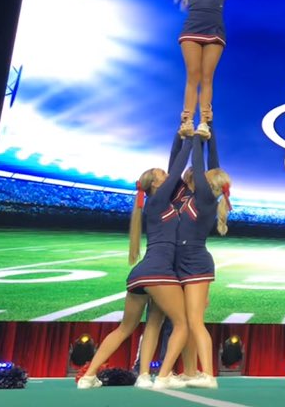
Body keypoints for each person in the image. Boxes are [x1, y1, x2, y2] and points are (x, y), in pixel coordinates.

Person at [77, 136, 191, 389]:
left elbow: (174, 166)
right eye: (163, 175)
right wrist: (192, 139)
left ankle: (97, 376)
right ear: (156, 184)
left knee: (139, 326)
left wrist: (178, 136)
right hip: (160, 272)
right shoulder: (159, 201)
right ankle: (163, 376)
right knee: (183, 323)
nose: (168, 175)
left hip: (141, 275)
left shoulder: (155, 203)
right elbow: (179, 167)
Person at [164, 0, 256, 139]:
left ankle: (204, 122)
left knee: (207, 77)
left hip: (215, 32)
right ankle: (187, 120)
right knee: (193, 75)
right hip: (192, 30)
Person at [172, 133, 231, 387]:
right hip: (184, 260)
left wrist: (198, 137)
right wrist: (212, 129)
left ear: (211, 183)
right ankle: (190, 371)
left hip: (195, 262)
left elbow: (199, 163)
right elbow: (211, 163)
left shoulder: (206, 198)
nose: (199, 173)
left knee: (195, 322)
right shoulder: (196, 196)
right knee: (186, 322)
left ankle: (208, 374)